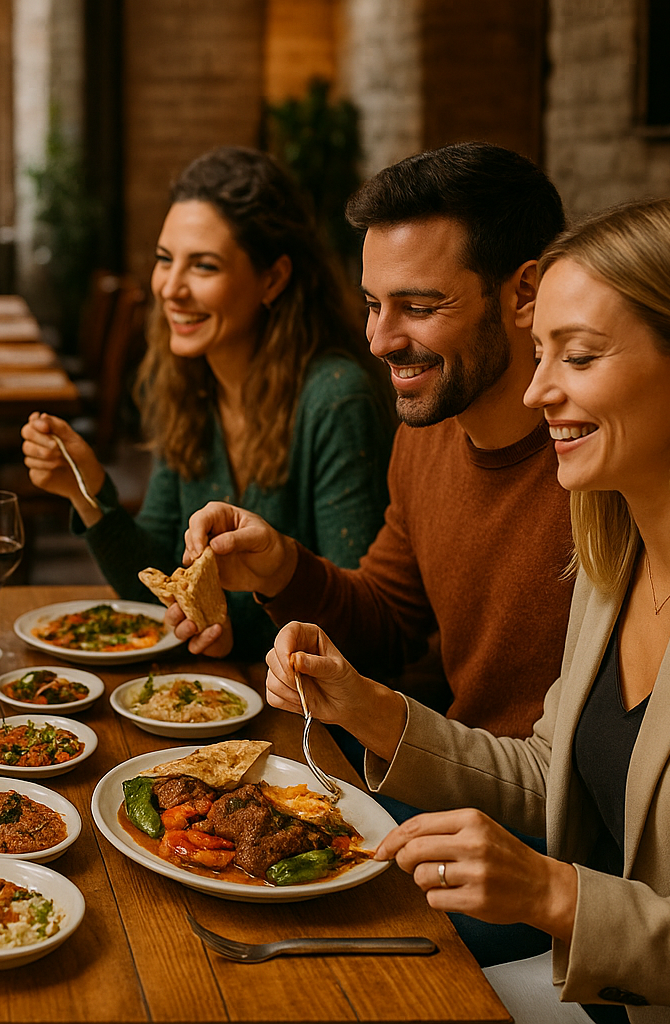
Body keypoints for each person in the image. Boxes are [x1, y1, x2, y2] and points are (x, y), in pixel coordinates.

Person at [268, 194, 670, 1024]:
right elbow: (550, 774)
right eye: (540, 354)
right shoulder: (613, 543)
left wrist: (552, 893)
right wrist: (370, 710)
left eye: (579, 357)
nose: (537, 392)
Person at [185, 142, 572, 739]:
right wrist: (281, 568)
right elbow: (389, 624)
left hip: (539, 818)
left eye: (418, 306)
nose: (380, 340)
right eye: (373, 305)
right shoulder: (426, 437)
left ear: (525, 293)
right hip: (456, 787)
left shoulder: (599, 461)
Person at [21, 146, 393, 660]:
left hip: (317, 721)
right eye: (164, 260)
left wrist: (230, 629)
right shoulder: (188, 381)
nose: (171, 288)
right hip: (228, 692)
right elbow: (155, 585)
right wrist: (85, 492)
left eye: (204, 266)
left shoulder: (334, 398)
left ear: (273, 278)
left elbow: (360, 627)